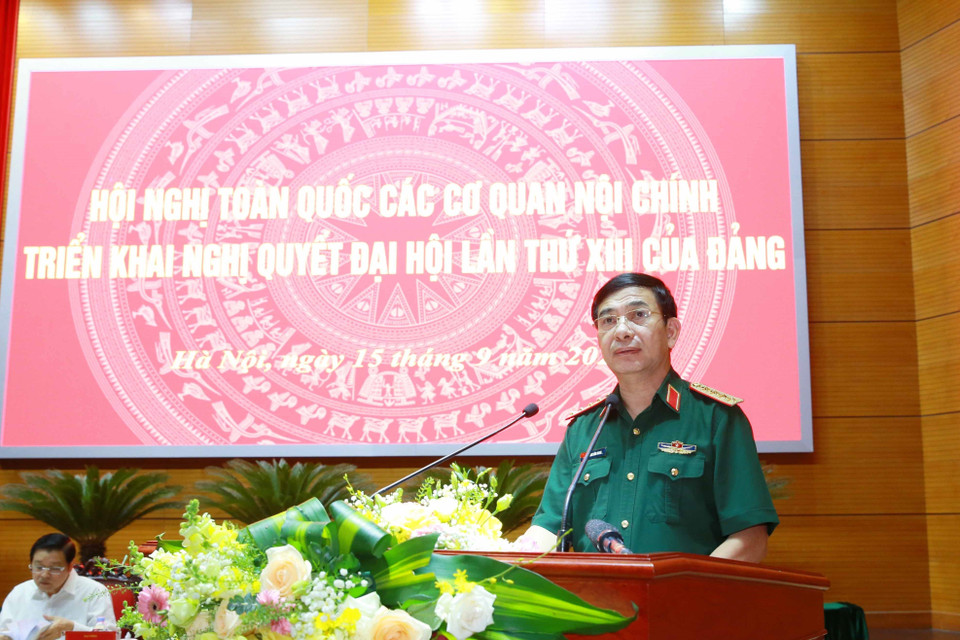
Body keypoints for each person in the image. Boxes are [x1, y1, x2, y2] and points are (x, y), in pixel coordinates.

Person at [522, 272, 778, 561]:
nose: (621, 331)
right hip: (592, 603)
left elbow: (749, 538)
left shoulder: (716, 419)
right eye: (607, 321)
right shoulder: (584, 428)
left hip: (685, 601)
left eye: (638, 315)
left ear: (671, 331)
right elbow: (548, 529)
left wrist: (684, 596)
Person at [0, 534, 115, 640]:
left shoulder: (94, 592)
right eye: (39, 567)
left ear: (70, 566)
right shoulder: (20, 592)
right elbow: (4, 632)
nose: (44, 575)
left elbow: (109, 638)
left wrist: (72, 628)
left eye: (55, 568)